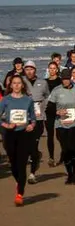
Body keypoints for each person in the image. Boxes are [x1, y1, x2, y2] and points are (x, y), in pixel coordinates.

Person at [1, 76, 37, 206]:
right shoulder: (6, 100)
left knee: (22, 164)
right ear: (10, 85)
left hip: (24, 134)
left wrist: (31, 125)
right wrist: (6, 125)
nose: (16, 85)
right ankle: (19, 181)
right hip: (10, 134)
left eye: (19, 83)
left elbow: (33, 117)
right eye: (14, 83)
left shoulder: (28, 100)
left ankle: (20, 194)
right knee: (13, 163)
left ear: (23, 85)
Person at [47, 69, 75, 184]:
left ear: (70, 78)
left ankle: (74, 173)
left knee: (72, 149)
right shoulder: (56, 91)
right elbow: (49, 108)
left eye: (67, 79)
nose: (65, 81)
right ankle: (70, 174)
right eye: (63, 79)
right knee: (65, 150)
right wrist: (57, 112)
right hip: (61, 124)